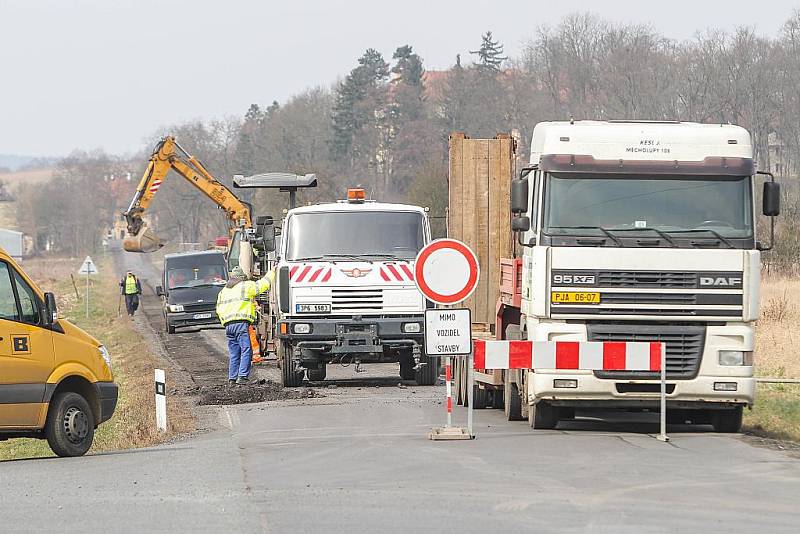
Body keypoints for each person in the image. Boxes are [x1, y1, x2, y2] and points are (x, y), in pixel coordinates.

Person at [216, 266, 275, 385]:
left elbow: (218, 309)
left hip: (228, 325)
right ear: (241, 278)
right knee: (246, 349)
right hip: (240, 324)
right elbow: (262, 285)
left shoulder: (223, 291)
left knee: (234, 352)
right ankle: (242, 376)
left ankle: (232, 378)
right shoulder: (245, 286)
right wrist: (272, 272)